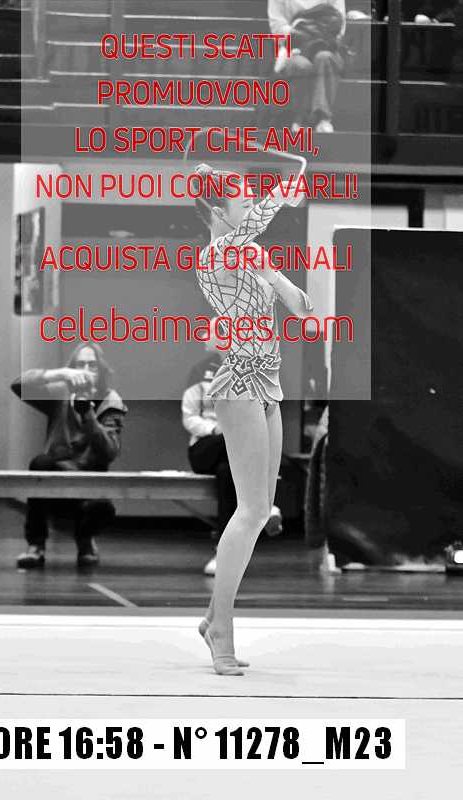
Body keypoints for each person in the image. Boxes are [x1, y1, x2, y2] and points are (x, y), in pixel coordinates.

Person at [193, 162, 313, 676]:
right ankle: (220, 627)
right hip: (239, 385)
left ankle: (213, 619)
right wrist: (282, 191)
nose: (250, 210)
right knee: (249, 511)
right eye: (243, 203)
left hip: (269, 388)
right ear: (218, 212)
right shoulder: (215, 255)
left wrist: (272, 275)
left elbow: (303, 309)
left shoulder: (249, 254)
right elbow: (254, 223)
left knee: (261, 512)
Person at [11, 343, 127, 569]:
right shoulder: (61, 392)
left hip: (90, 482)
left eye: (92, 365)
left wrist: (88, 415)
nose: (86, 370)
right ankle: (36, 545)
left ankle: (85, 541)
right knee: (39, 463)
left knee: (103, 509)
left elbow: (109, 452)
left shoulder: (111, 400)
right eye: (80, 365)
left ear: (101, 370)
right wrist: (61, 373)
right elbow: (18, 385)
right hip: (57, 477)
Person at [182, 321, 283, 576]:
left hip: (235, 453)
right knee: (234, 440)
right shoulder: (199, 371)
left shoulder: (251, 371)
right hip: (206, 447)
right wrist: (216, 429)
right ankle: (266, 503)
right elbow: (189, 417)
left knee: (227, 473)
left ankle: (223, 553)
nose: (205, 336)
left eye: (210, 332)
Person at [268, 0, 346, 133]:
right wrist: (303, 35)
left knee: (324, 58)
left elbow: (339, 26)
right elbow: (277, 27)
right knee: (300, 65)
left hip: (326, 44)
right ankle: (300, 119)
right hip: (294, 47)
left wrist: (315, 34)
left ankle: (323, 118)